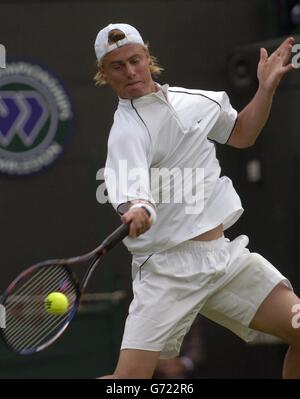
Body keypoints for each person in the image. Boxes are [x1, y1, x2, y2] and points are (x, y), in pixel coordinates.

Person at [94, 22, 300, 379]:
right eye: (117, 66)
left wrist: (265, 89)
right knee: (127, 383)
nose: (130, 72)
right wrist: (138, 210)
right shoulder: (125, 132)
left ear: (148, 58)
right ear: (104, 75)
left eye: (135, 60)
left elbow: (242, 134)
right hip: (166, 272)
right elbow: (131, 194)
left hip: (223, 259)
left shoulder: (198, 101)